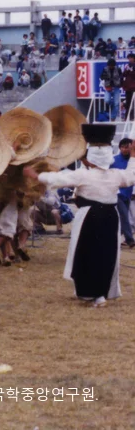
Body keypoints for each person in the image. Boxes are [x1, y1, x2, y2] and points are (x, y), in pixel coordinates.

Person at [34, 125, 135, 306]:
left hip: (90, 217)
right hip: (111, 217)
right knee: (106, 255)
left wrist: (36, 175)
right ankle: (99, 293)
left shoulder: (83, 175)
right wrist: (134, 156)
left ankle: (91, 292)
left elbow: (58, 179)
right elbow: (130, 176)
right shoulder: (115, 175)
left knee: (87, 254)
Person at [109, 137, 134, 248]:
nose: (125, 149)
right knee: (124, 215)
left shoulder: (132, 161)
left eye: (127, 147)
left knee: (122, 218)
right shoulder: (113, 160)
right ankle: (130, 240)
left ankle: (113, 238)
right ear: (119, 148)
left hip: (127, 194)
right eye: (123, 147)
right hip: (117, 193)